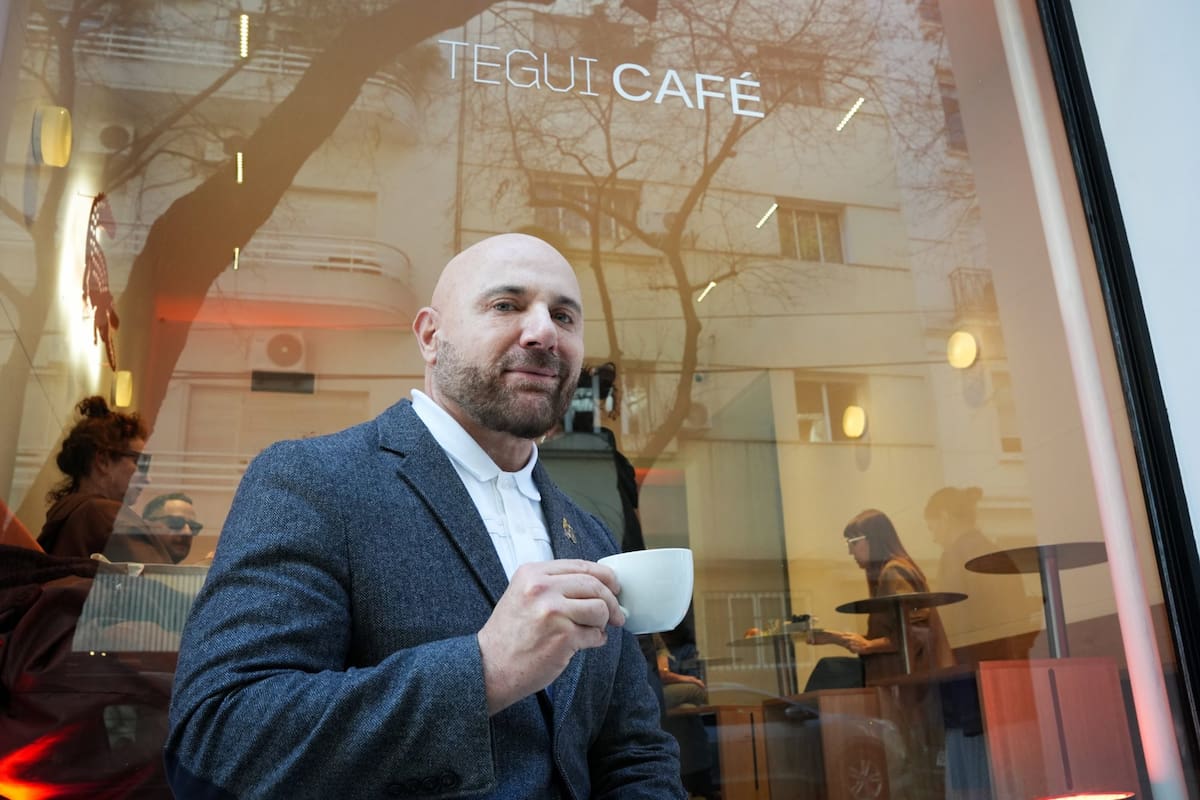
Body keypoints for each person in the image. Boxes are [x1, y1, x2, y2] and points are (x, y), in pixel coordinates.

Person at [166, 233, 685, 798]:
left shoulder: (587, 533)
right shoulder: (311, 482)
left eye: (564, 316)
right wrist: (482, 671)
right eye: (506, 305)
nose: (543, 333)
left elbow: (636, 751)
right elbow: (219, 738)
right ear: (431, 336)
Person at [811, 508, 953, 684]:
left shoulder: (894, 571)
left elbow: (916, 633)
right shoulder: (887, 573)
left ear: (873, 539)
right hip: (905, 678)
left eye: (852, 543)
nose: (850, 552)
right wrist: (836, 638)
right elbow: (897, 634)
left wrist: (868, 646)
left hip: (912, 683)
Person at [37, 395, 175, 564]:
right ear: (102, 460)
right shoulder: (105, 514)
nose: (148, 479)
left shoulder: (66, 514)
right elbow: (162, 584)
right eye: (139, 462)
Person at [142, 491, 203, 564]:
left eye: (193, 527)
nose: (187, 532)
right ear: (148, 526)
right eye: (176, 522)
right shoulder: (130, 571)